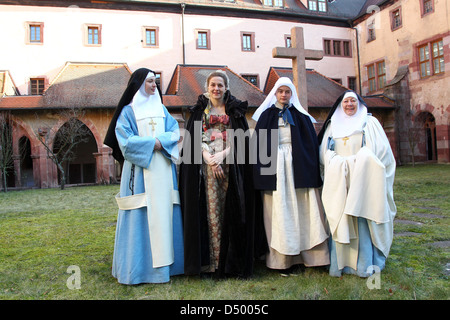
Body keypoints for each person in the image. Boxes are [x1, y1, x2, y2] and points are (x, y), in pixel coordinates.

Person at [179, 70, 264, 278]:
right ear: (207, 88)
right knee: (211, 211)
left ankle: (231, 261)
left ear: (226, 88)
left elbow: (242, 139)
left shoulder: (235, 111)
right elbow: (195, 138)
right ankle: (214, 262)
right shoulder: (200, 112)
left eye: (220, 85)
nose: (216, 89)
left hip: (232, 167)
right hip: (207, 168)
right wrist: (209, 158)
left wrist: (223, 155)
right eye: (213, 85)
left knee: (231, 209)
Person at [104, 68, 184, 284]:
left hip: (164, 170)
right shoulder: (128, 112)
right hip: (140, 172)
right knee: (141, 212)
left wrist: (161, 142)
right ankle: (139, 269)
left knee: (165, 212)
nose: (154, 85)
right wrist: (154, 143)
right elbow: (125, 142)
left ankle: (169, 267)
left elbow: (175, 131)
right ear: (139, 84)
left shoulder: (161, 109)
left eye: (155, 82)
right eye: (150, 82)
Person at [252, 77, 329, 276]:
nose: (284, 95)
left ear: (291, 93)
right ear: (275, 93)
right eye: (280, 91)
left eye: (287, 91)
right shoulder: (266, 116)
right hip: (275, 170)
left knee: (306, 210)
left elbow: (311, 144)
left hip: (299, 168)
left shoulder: (301, 116)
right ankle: (283, 261)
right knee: (279, 212)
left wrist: (307, 164)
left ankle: (311, 258)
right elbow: (258, 147)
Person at [318, 90, 396, 277]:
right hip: (339, 180)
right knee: (340, 217)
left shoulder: (370, 123)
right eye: (346, 102)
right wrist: (334, 160)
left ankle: (363, 264)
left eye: (353, 101)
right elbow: (323, 152)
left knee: (360, 217)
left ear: (359, 104)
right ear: (340, 105)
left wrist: (360, 160)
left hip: (362, 180)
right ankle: (341, 265)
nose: (349, 105)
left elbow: (382, 151)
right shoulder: (333, 125)